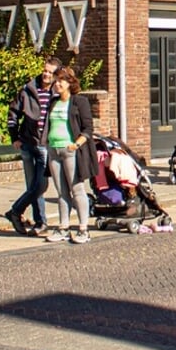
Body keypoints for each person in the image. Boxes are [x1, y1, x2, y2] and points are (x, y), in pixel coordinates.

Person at [42, 66, 97, 245]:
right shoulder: (53, 102)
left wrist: (76, 144)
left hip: (71, 151)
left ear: (69, 83)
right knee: (61, 191)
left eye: (60, 80)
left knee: (77, 189)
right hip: (54, 150)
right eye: (55, 80)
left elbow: (88, 128)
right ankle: (63, 226)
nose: (56, 84)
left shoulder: (79, 102)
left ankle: (83, 228)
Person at [6, 57, 60, 235]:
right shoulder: (27, 90)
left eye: (51, 73)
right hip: (28, 143)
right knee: (33, 186)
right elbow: (13, 113)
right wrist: (15, 137)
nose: (46, 74)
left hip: (45, 145)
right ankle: (40, 222)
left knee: (40, 185)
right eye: (45, 70)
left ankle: (15, 211)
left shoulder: (57, 92)